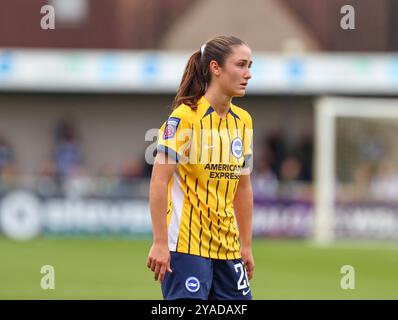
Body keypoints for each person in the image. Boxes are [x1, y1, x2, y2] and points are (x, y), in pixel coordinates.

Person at [146, 35, 254, 300]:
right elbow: (158, 181)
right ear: (215, 68)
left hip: (228, 249)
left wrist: (246, 245)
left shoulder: (243, 121)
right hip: (186, 246)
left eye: (250, 65)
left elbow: (242, 187)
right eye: (240, 65)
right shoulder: (184, 117)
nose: (248, 74)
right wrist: (160, 242)